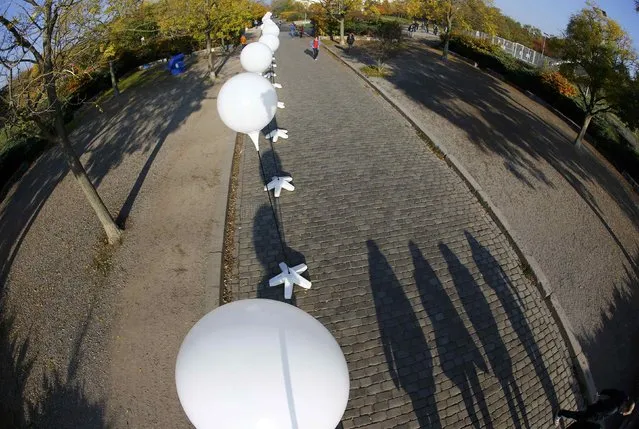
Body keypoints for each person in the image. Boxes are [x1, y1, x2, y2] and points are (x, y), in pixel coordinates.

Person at [554, 389, 635, 427]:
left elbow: (611, 392)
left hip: (596, 408)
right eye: (624, 410)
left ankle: (562, 413)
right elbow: (601, 413)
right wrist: (591, 419)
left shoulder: (622, 396)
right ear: (625, 406)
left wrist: (601, 393)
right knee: (578, 417)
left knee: (578, 416)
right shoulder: (613, 408)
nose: (622, 412)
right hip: (593, 414)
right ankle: (560, 413)